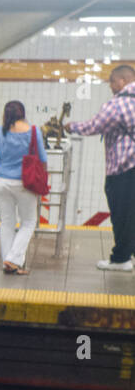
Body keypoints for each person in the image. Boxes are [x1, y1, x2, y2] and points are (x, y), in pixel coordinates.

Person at [66, 63, 135, 273]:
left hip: (123, 170)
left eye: (112, 82)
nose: (111, 86)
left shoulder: (117, 105)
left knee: (122, 215)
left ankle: (121, 259)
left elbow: (94, 126)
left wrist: (71, 126)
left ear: (123, 81)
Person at [0, 100, 47, 275]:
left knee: (7, 223)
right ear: (23, 113)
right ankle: (14, 259)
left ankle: (7, 262)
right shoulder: (33, 131)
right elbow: (43, 158)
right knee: (29, 222)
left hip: (3, 182)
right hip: (26, 183)